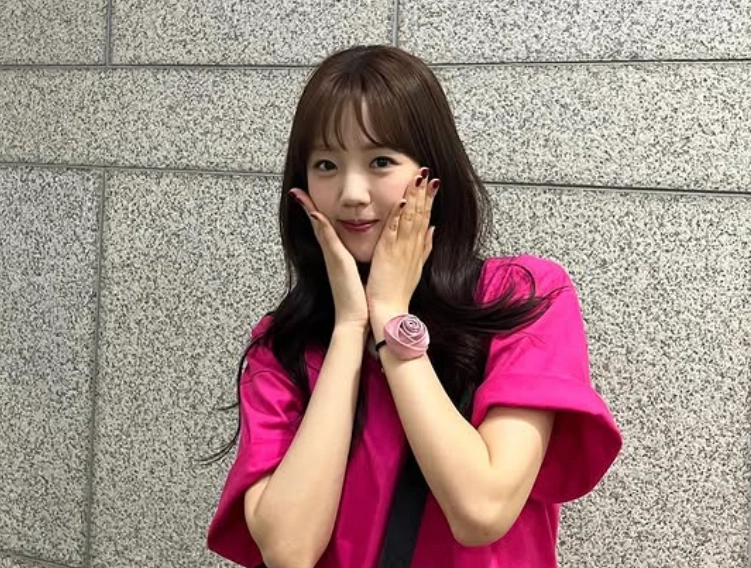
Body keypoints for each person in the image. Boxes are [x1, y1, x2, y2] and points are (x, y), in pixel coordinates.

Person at [204, 44, 622, 568]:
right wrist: (350, 328)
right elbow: (289, 550)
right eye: (326, 165)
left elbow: (481, 509)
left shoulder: (521, 297)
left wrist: (390, 316)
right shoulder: (284, 343)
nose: (352, 193)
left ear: (431, 171)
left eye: (380, 161)